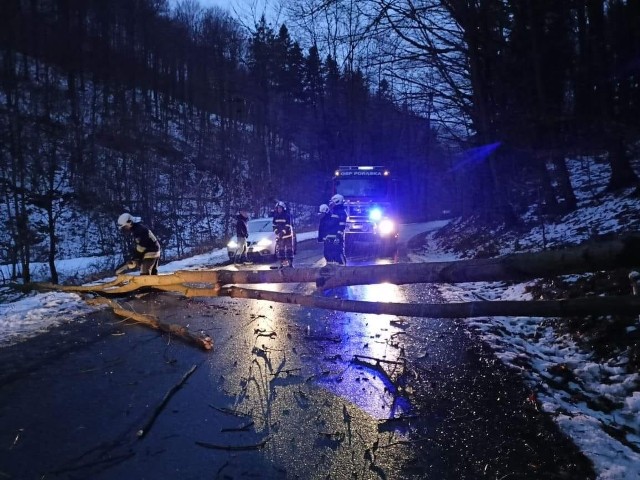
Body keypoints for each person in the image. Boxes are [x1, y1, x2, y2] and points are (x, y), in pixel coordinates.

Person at [324, 194, 347, 265]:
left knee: (338, 255)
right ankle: (330, 272)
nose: (331, 203)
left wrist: (338, 237)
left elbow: (341, 226)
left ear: (337, 201)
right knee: (328, 255)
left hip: (336, 238)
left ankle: (343, 272)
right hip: (329, 238)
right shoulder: (332, 212)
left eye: (332, 201)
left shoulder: (341, 213)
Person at [272, 201, 294, 267]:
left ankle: (290, 263)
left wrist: (283, 232)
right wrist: (276, 231)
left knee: (289, 249)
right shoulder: (275, 216)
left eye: (280, 208)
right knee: (280, 250)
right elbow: (274, 225)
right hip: (280, 236)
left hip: (288, 235)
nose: (279, 209)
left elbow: (287, 225)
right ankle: (282, 263)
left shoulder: (287, 216)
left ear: (283, 208)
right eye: (278, 208)